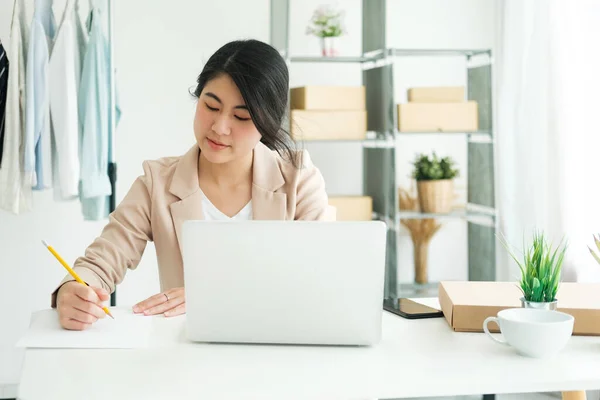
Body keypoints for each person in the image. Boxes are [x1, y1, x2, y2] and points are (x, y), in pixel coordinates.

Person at [52, 39, 334, 331]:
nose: (219, 127)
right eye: (211, 106)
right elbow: (101, 262)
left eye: (241, 116)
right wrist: (74, 289)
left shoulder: (299, 180)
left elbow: (317, 280)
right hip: (187, 356)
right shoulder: (157, 183)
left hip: (276, 350)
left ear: (267, 123)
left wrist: (213, 297)